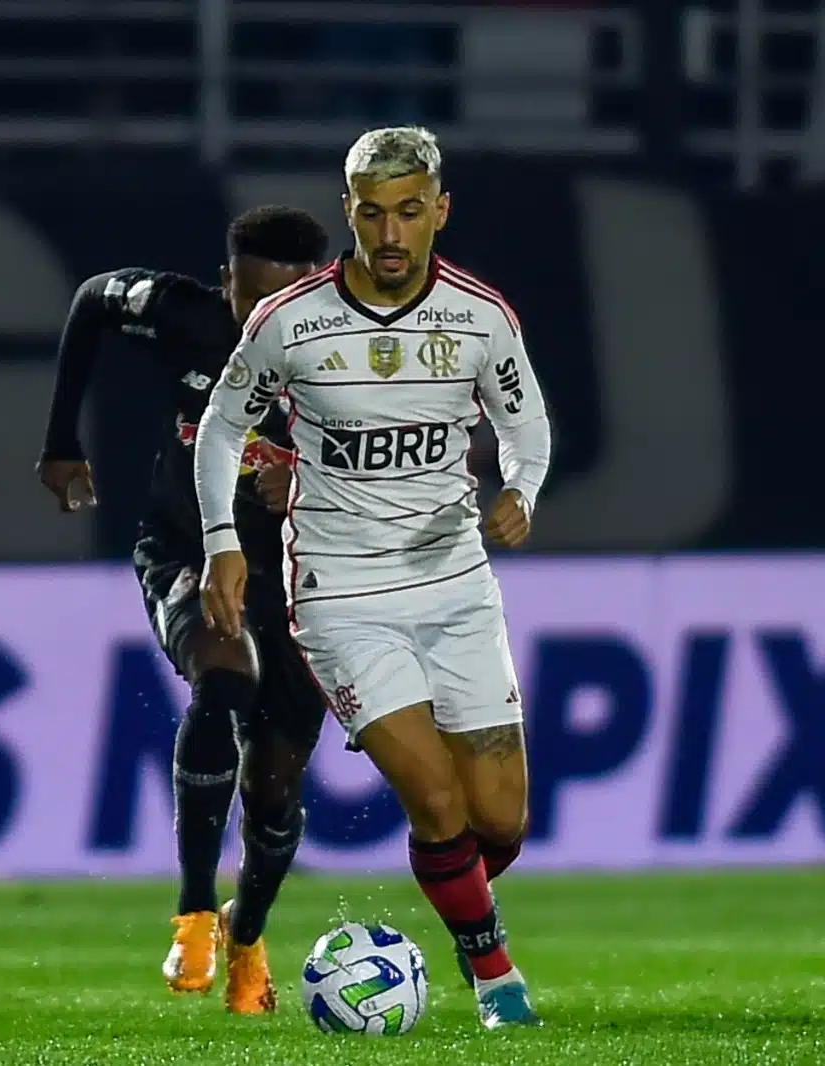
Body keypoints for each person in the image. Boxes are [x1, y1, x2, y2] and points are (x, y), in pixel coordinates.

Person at [193, 127, 552, 1030]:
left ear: (440, 210)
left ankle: (456, 894)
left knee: (498, 821)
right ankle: (495, 978)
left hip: (455, 582)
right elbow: (221, 426)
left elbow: (527, 425)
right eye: (369, 212)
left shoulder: (480, 317)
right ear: (347, 208)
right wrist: (222, 544)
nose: (389, 234)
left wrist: (523, 489)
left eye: (407, 212)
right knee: (434, 800)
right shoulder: (289, 322)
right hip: (341, 593)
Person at [35, 206, 333, 1015]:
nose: (252, 321)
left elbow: (414, 453)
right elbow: (96, 297)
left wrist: (312, 479)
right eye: (244, 296)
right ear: (225, 277)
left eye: (274, 303)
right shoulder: (186, 314)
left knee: (275, 790)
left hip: (308, 577)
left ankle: (248, 932)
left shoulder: (351, 354)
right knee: (224, 681)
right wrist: (63, 439)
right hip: (186, 550)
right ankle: (195, 909)